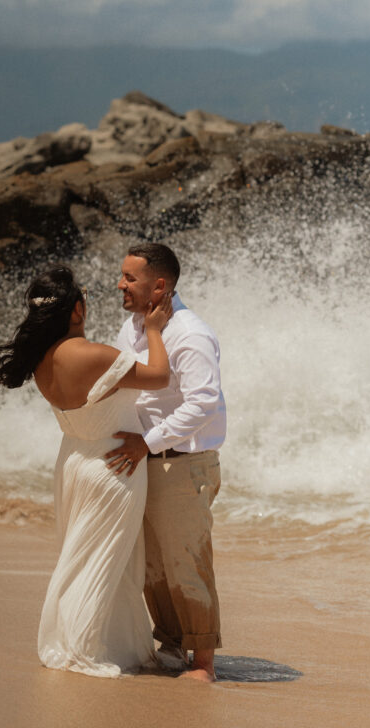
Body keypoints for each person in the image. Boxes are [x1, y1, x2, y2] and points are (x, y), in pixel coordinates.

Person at [0, 265, 173, 678]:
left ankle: (98, 643)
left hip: (74, 463)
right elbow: (160, 377)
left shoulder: (40, 360)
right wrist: (155, 330)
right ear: (76, 310)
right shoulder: (92, 354)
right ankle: (78, 647)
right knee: (101, 561)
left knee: (81, 556)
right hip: (113, 467)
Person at [105, 243, 226, 683]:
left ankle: (204, 663)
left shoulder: (190, 333)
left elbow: (203, 405)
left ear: (159, 285)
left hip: (183, 462)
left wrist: (146, 443)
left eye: (129, 278)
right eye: (122, 276)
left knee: (187, 562)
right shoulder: (134, 327)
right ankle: (171, 645)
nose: (120, 284)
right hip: (146, 458)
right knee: (152, 564)